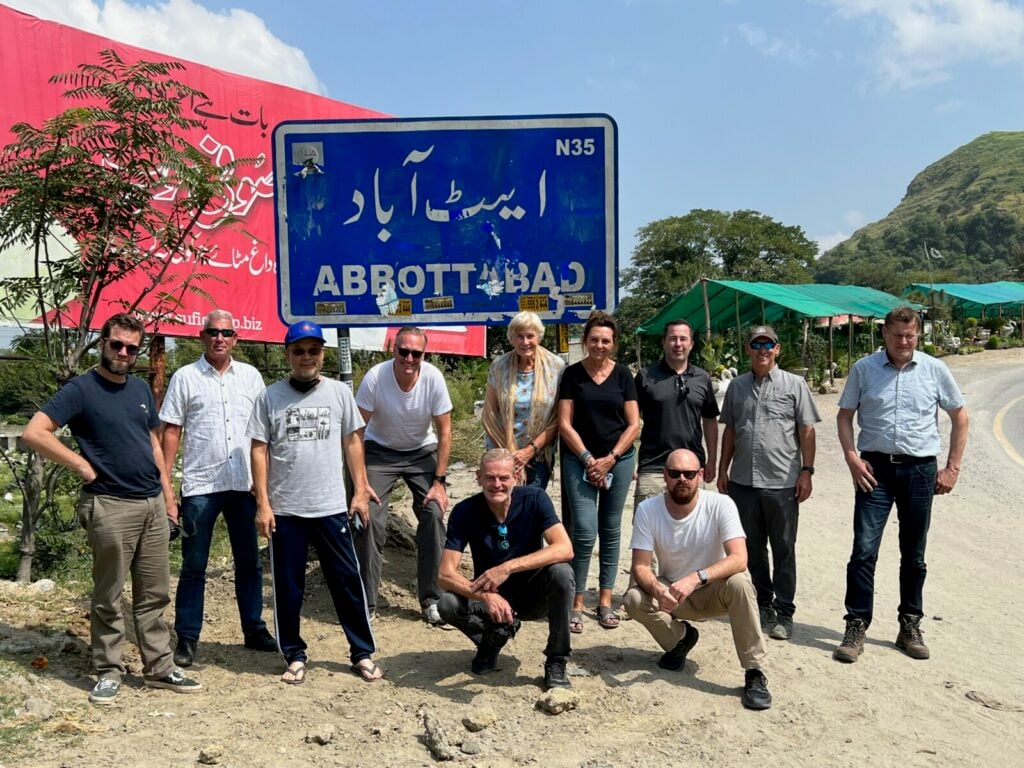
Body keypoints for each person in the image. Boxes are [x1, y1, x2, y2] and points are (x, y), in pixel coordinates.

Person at [22, 313, 201, 705]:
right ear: (102, 342)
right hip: (109, 504)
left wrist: (168, 496)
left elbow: (154, 443)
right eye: (117, 344)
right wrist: (81, 465)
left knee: (154, 593)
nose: (123, 352)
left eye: (131, 348)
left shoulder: (138, 388)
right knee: (109, 593)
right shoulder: (81, 389)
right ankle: (108, 670)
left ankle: (159, 667)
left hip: (152, 504)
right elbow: (34, 432)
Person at [247, 321, 382, 684]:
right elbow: (259, 450)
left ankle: (362, 652)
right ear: (288, 354)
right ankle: (293, 653)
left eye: (313, 350)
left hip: (331, 506)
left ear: (323, 354)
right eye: (299, 351)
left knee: (347, 581)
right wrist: (263, 503)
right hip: (287, 509)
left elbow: (353, 442)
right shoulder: (269, 397)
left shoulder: (339, 393)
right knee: (288, 588)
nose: (306, 357)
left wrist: (359, 490)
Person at [834, 307, 968, 663]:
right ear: (884, 335)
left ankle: (909, 624)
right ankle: (856, 624)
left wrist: (952, 467)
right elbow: (844, 416)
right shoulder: (864, 369)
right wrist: (851, 457)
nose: (904, 342)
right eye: (897, 335)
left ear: (917, 335)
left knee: (915, 554)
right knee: (863, 550)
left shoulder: (935, 370)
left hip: (921, 471)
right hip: (874, 470)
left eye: (910, 335)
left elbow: (960, 416)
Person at [159, 310, 276, 667]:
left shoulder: (252, 377)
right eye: (213, 332)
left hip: (244, 485)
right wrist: (166, 490)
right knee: (194, 566)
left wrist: (265, 487)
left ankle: (254, 628)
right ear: (202, 336)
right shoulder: (185, 377)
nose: (219, 338)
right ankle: (188, 637)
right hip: (201, 486)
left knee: (249, 563)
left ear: (236, 338)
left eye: (226, 332)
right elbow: (171, 432)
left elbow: (263, 435)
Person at [623, 449, 772, 711]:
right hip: (675, 595)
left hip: (715, 590)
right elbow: (640, 566)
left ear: (701, 475)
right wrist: (658, 590)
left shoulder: (720, 504)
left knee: (740, 581)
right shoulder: (648, 509)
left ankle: (754, 672)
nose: (682, 479)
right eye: (675, 473)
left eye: (689, 473)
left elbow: (739, 558)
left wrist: (697, 577)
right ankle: (679, 639)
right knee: (634, 598)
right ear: (665, 476)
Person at [437, 449, 575, 689]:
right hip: (491, 597)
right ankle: (491, 640)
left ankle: (557, 659)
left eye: (503, 478)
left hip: (532, 595)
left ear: (516, 476)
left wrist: (508, 567)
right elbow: (445, 573)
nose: (496, 484)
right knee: (447, 603)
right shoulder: (464, 511)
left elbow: (564, 548)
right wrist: (485, 595)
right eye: (490, 477)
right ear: (478, 476)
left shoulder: (535, 499)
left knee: (562, 572)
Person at [717, 325, 820, 641]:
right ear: (747, 349)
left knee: (784, 548)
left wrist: (807, 471)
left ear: (777, 349)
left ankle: (785, 612)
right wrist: (723, 470)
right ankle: (763, 603)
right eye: (756, 344)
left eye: (768, 344)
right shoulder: (736, 387)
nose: (762, 349)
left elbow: (807, 431)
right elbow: (731, 431)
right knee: (751, 548)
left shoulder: (795, 385)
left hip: (782, 483)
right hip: (744, 482)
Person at [354, 326, 453, 624]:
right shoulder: (376, 377)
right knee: (368, 515)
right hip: (379, 451)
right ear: (392, 350)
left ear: (425, 354)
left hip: (422, 451)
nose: (409, 358)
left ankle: (432, 598)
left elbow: (445, 432)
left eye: (416, 353)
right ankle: (367, 601)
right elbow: (356, 433)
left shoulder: (433, 378)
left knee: (434, 514)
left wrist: (439, 483)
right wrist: (359, 484)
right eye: (403, 351)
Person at [557, 311, 640, 632]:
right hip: (579, 460)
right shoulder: (572, 375)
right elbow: (564, 423)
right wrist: (589, 458)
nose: (599, 345)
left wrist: (610, 458)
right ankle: (576, 600)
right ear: (585, 341)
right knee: (583, 530)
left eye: (606, 341)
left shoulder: (623, 376)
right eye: (594, 340)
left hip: (618, 461)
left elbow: (634, 424)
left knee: (610, 529)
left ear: (613, 343)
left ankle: (604, 600)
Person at [635, 319, 720, 507]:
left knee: (694, 532)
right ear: (664, 342)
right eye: (673, 339)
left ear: (691, 344)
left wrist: (712, 460)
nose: (678, 344)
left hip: (691, 468)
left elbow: (710, 420)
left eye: (683, 339)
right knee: (651, 532)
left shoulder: (702, 377)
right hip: (653, 468)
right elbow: (630, 420)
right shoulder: (645, 376)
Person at [481, 311, 566, 489]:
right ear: (511, 338)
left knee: (531, 503)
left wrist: (529, 451)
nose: (525, 342)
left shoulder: (556, 366)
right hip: (502, 449)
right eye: (519, 336)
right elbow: (489, 413)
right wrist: (508, 454)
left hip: (538, 453)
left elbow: (558, 417)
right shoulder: (499, 366)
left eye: (530, 336)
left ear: (539, 337)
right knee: (503, 504)